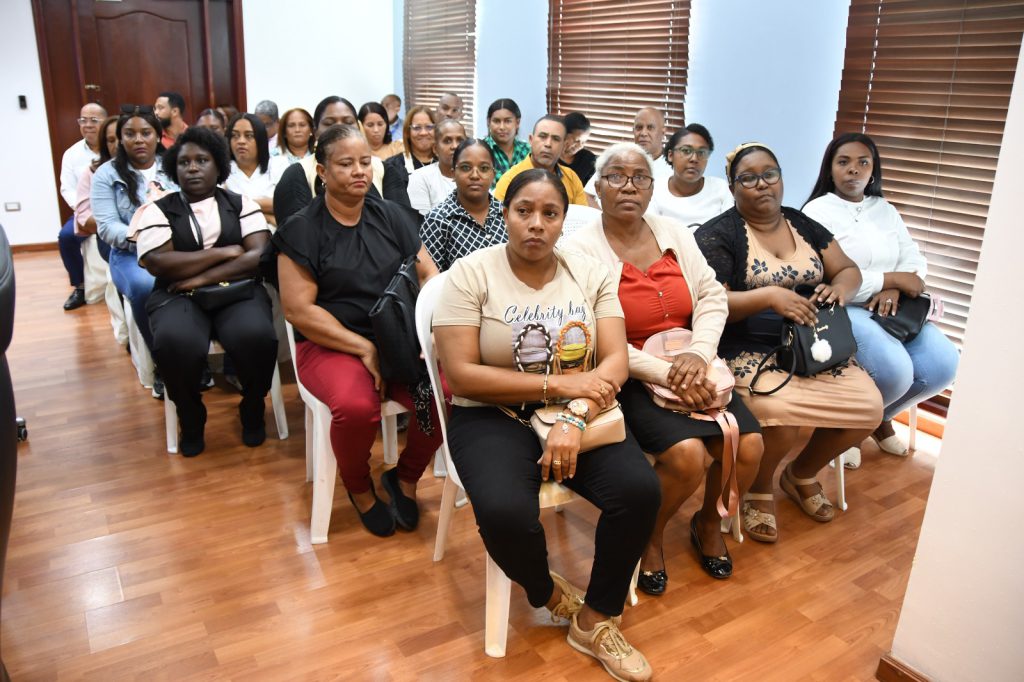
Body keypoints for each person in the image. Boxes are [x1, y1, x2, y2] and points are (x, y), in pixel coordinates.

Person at [433, 168, 658, 682]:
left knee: (639, 491)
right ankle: (548, 593)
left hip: (580, 412)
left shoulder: (591, 272)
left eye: (549, 213)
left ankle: (596, 618)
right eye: (523, 211)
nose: (536, 224)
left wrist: (574, 416)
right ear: (504, 214)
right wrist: (559, 388)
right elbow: (462, 374)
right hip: (491, 414)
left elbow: (616, 362)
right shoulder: (469, 274)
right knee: (508, 514)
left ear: (563, 221)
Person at [565, 142, 763, 590]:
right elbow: (594, 334)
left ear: (653, 188)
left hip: (695, 361)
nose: (628, 186)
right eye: (616, 176)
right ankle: (650, 536)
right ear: (597, 188)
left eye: (640, 177)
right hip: (630, 372)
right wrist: (664, 373)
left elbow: (712, 296)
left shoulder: (674, 231)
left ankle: (708, 526)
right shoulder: (579, 249)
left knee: (749, 444)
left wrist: (699, 352)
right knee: (687, 456)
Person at [694, 142, 883, 543]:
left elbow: (847, 269)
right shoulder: (719, 235)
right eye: (748, 178)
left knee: (869, 409)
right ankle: (760, 489)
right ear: (733, 187)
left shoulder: (803, 223)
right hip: (747, 347)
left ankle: (800, 476)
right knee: (778, 413)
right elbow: (711, 301)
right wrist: (769, 296)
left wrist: (839, 291)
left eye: (770, 174)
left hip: (813, 346)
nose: (761, 185)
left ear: (781, 179)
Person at [273, 124, 444, 537]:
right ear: (322, 170)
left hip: (396, 338)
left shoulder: (391, 215)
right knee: (354, 406)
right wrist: (364, 349)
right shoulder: (302, 229)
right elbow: (298, 310)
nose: (359, 172)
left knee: (444, 397)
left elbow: (429, 275)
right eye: (345, 164)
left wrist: (428, 335)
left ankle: (403, 478)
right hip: (331, 343)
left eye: (365, 162)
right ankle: (359, 486)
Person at [803, 132, 959, 462]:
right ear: (830, 169)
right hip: (848, 307)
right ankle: (844, 434)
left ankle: (877, 418)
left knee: (944, 364)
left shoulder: (884, 209)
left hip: (894, 305)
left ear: (873, 170)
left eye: (863, 162)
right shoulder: (817, 211)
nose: (853, 170)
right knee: (896, 372)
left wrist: (894, 286)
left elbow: (913, 259)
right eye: (843, 162)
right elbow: (825, 279)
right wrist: (886, 280)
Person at [129, 126, 277, 457]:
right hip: (176, 296)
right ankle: (190, 414)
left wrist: (196, 277)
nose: (192, 168)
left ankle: (253, 406)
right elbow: (158, 262)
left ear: (219, 166)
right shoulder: (158, 209)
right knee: (174, 342)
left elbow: (257, 256)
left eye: (202, 160)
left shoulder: (241, 204)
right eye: (184, 162)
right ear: (173, 168)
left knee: (257, 336)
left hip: (237, 292)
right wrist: (223, 253)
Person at [92, 105, 178, 397]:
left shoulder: (174, 165)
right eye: (130, 134)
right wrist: (145, 238)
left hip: (176, 249)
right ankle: (163, 363)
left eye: (145, 133)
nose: (138, 140)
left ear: (158, 136)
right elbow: (106, 227)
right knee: (146, 287)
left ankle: (192, 357)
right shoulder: (106, 174)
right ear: (120, 138)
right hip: (131, 255)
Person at [273, 96, 385, 227]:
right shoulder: (296, 174)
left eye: (348, 122)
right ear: (315, 131)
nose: (339, 128)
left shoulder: (384, 168)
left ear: (359, 128)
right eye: (329, 123)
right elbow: (295, 235)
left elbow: (402, 230)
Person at [420, 138, 506, 271]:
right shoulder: (437, 220)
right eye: (466, 168)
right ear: (453, 173)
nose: (475, 175)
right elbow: (430, 280)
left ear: (493, 174)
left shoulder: (507, 213)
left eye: (484, 168)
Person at [58, 102, 107, 310]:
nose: (87, 125)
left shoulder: (115, 147)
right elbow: (66, 188)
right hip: (85, 211)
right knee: (66, 237)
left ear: (105, 122)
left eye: (94, 120)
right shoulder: (72, 154)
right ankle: (80, 286)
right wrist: (82, 211)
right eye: (83, 120)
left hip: (114, 209)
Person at [650, 124, 733, 230]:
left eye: (702, 152)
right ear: (671, 155)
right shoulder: (655, 190)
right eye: (686, 151)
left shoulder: (720, 188)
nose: (694, 158)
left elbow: (730, 234)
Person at [583, 108, 672, 206]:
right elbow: (587, 195)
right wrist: (605, 219)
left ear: (663, 132)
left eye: (650, 128)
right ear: (633, 131)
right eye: (639, 128)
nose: (643, 133)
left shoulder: (674, 168)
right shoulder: (616, 158)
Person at [493, 115, 587, 206]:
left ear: (564, 145)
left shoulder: (572, 179)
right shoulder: (509, 180)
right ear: (531, 140)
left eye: (556, 139)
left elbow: (583, 218)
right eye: (542, 136)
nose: (548, 144)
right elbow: (498, 220)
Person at [225, 113, 287, 225]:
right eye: (235, 135)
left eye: (249, 136)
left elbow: (287, 204)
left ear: (261, 139)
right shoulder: (223, 170)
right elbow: (224, 211)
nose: (241, 141)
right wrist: (267, 216)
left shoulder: (279, 165)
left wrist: (241, 206)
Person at [74, 115, 120, 243]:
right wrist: (111, 223)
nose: (117, 145)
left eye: (121, 138)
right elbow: (84, 216)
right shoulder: (93, 172)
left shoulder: (149, 168)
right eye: (111, 140)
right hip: (108, 235)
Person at [382, 106, 437, 209]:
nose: (423, 132)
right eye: (417, 128)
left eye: (429, 127)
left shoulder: (446, 164)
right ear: (407, 132)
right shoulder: (392, 166)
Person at [407, 119, 466, 215]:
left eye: (460, 140)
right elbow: (422, 223)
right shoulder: (419, 178)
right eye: (447, 141)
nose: (455, 146)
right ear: (435, 149)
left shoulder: (476, 176)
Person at [483, 98, 530, 185]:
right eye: (496, 121)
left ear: (517, 123)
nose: (502, 127)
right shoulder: (481, 150)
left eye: (508, 121)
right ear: (488, 122)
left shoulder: (527, 150)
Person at [560, 112, 597, 186]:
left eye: (584, 142)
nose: (580, 145)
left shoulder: (589, 160)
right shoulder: (549, 158)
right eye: (577, 140)